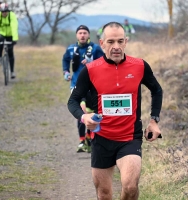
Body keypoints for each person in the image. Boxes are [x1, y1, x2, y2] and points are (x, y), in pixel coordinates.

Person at [67, 22, 163, 199]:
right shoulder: (90, 70)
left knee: (130, 186)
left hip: (130, 138)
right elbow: (72, 100)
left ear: (126, 42)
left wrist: (154, 121)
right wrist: (83, 117)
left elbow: (157, 90)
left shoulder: (140, 66)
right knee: (104, 194)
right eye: (111, 42)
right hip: (101, 139)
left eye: (120, 41)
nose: (116, 46)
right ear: (102, 43)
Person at [62, 25, 103, 153]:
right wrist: (66, 72)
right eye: (80, 33)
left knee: (92, 112)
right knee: (81, 111)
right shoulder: (70, 49)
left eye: (85, 33)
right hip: (76, 85)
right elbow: (65, 60)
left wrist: (93, 63)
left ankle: (89, 138)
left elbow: (104, 62)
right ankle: (81, 141)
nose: (82, 35)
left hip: (93, 86)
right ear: (76, 35)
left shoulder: (96, 49)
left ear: (89, 35)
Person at [0, 3, 18, 79]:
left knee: (10, 52)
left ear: (8, 11)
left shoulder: (12, 15)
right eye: (2, 12)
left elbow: (14, 27)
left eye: (5, 11)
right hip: (2, 33)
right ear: (0, 11)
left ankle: (12, 71)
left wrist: (14, 39)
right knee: (0, 40)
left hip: (10, 34)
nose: (4, 13)